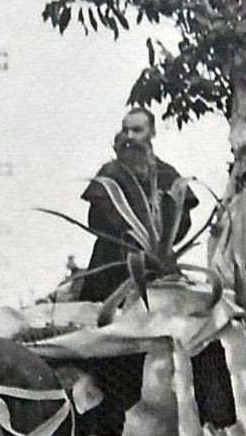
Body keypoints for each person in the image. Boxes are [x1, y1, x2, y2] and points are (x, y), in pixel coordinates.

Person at [77, 107, 198, 303]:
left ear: (152, 132)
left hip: (156, 270)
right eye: (125, 130)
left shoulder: (167, 174)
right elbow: (95, 220)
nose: (130, 136)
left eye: (137, 130)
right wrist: (127, 234)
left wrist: (158, 244)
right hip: (110, 266)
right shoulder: (110, 173)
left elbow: (182, 221)